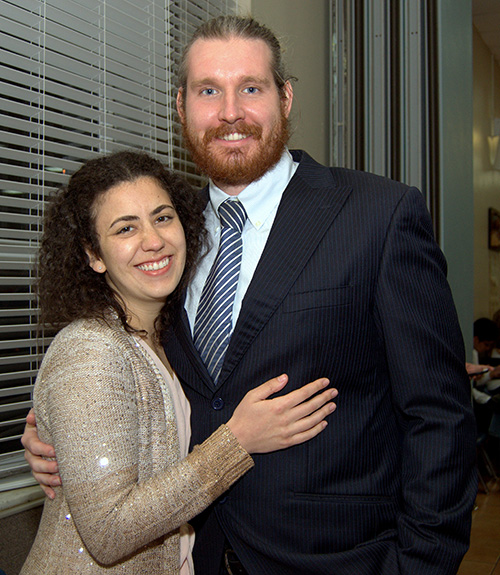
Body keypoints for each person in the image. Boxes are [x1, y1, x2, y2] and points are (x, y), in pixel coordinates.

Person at [23, 15, 477, 575]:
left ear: (285, 99)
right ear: (182, 106)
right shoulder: (169, 237)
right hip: (201, 557)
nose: (230, 111)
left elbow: (438, 416)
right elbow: (131, 365)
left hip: (344, 560)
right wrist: (63, 432)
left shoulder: (378, 216)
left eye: (251, 88)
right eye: (208, 90)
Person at [20, 150, 337, 574]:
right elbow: (109, 532)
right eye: (125, 228)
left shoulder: (167, 338)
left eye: (162, 217)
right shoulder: (91, 350)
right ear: (93, 255)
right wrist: (236, 441)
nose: (153, 240)